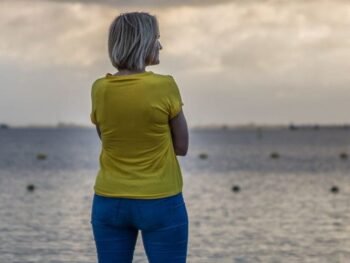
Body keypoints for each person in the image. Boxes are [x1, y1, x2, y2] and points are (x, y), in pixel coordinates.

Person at [89, 12, 189, 263]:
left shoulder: (99, 89)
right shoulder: (164, 86)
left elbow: (107, 138)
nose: (160, 45)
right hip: (160, 200)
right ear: (142, 42)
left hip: (109, 200)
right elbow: (182, 146)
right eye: (156, 38)